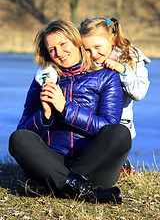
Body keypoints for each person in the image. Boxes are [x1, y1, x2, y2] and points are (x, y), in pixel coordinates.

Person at [9, 19, 131, 204]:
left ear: (76, 41)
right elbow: (23, 131)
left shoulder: (107, 75)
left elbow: (108, 125)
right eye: (52, 49)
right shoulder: (42, 80)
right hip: (53, 161)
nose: (59, 53)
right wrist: (45, 115)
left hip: (93, 165)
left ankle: (56, 186)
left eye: (63, 43)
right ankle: (86, 192)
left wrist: (65, 109)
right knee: (18, 139)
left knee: (120, 133)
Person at [79, 17, 151, 173]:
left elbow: (139, 93)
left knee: (108, 160)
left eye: (98, 47)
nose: (93, 54)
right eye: (87, 49)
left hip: (118, 126)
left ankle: (121, 165)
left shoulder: (131, 57)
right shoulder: (83, 59)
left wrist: (123, 71)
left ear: (112, 39)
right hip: (88, 122)